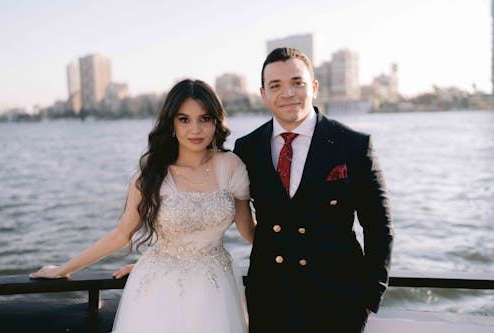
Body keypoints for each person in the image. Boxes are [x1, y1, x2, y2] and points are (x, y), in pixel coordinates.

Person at [114, 47, 394, 333]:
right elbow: (212, 209)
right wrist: (163, 264)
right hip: (269, 299)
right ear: (263, 94)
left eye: (297, 82)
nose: (287, 93)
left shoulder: (353, 145)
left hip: (337, 300)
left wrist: (369, 298)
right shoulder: (248, 149)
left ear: (314, 87)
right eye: (276, 85)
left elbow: (379, 228)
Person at [29, 79, 256, 333]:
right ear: (171, 123)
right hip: (160, 285)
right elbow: (121, 234)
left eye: (204, 118)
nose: (196, 129)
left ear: (216, 121)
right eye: (184, 119)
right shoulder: (152, 174)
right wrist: (64, 269)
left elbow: (250, 232)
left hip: (217, 285)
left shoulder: (231, 166)